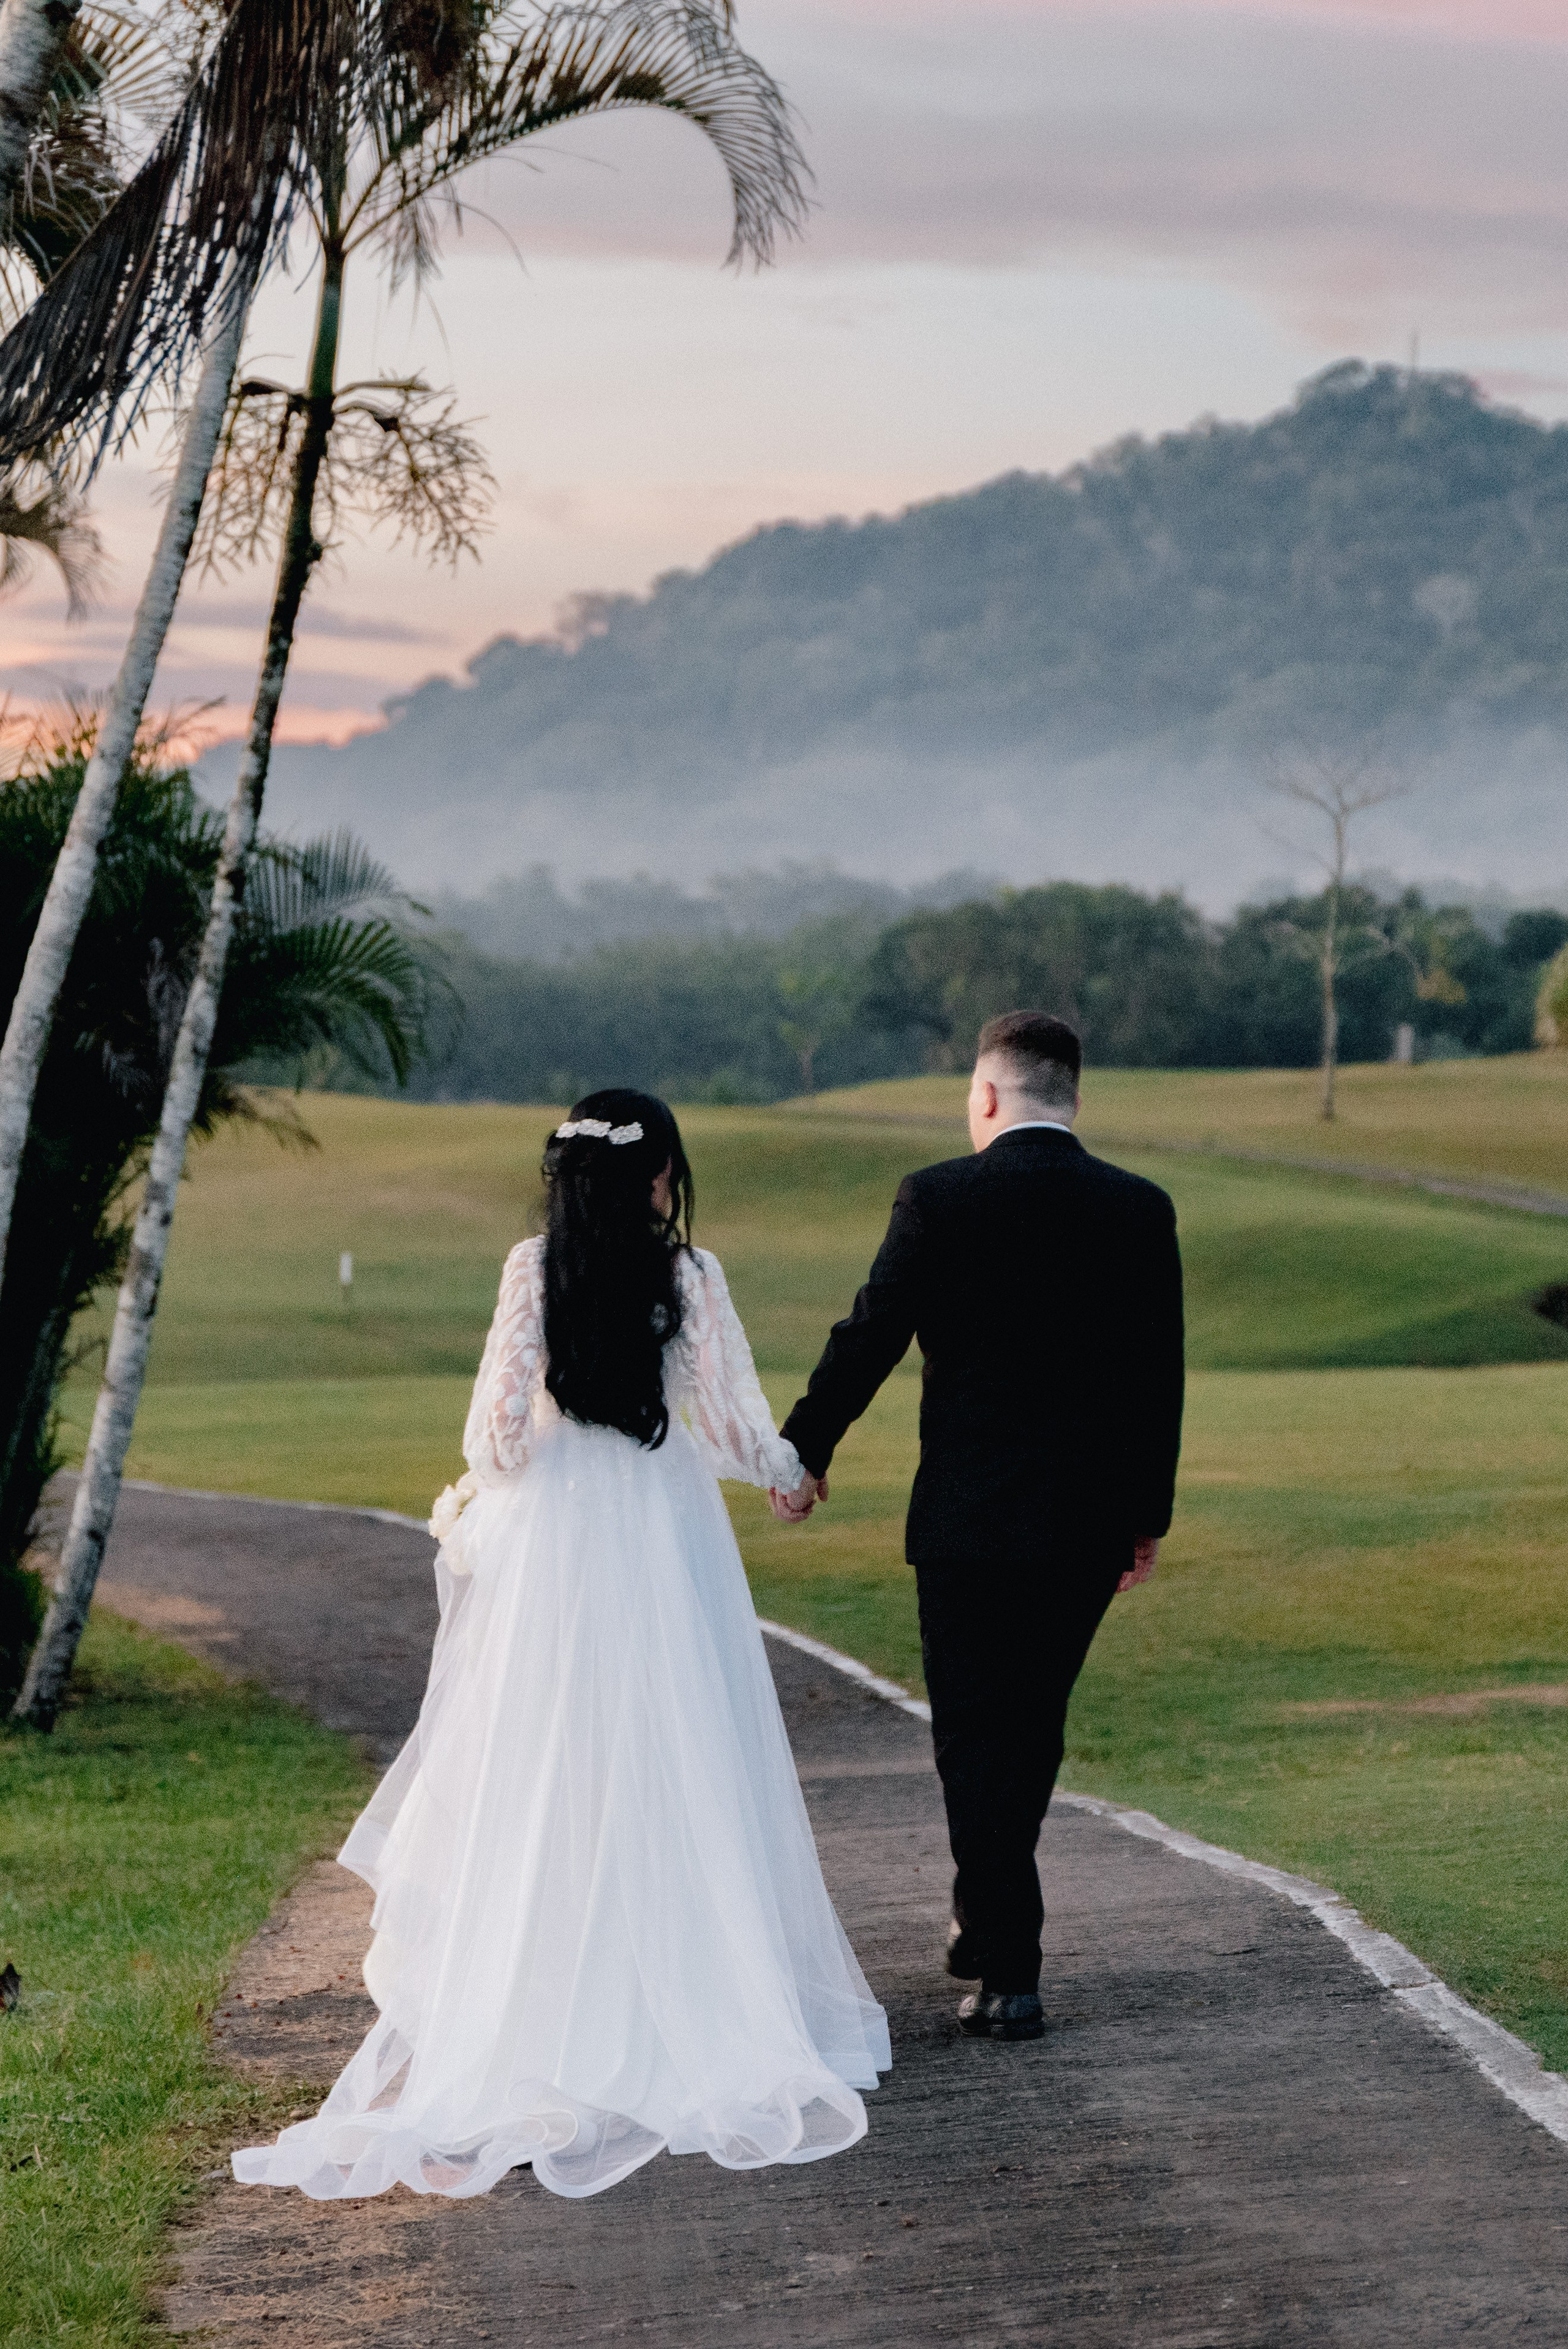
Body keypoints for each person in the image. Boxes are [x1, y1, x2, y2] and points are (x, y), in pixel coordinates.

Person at [233, 1090, 889, 2202]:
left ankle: (544, 2010)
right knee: (679, 1760)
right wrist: (790, 1473)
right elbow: (731, 1426)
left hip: (557, 1554)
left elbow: (491, 1443)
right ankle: (681, 1996)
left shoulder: (530, 1270)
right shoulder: (694, 1277)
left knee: (543, 1774)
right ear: (656, 1179)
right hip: (666, 1542)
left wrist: (527, 1439)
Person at [777, 1012, 1184, 2043]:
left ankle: (1009, 1961)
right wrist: (1146, 1519)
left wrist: (804, 1449)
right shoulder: (1140, 1208)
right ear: (1074, 1099)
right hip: (1086, 1526)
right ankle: (986, 1916)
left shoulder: (939, 1197)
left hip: (968, 1519)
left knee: (972, 1736)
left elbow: (868, 1334)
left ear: (989, 1098)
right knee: (1029, 1728)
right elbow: (1156, 1378)